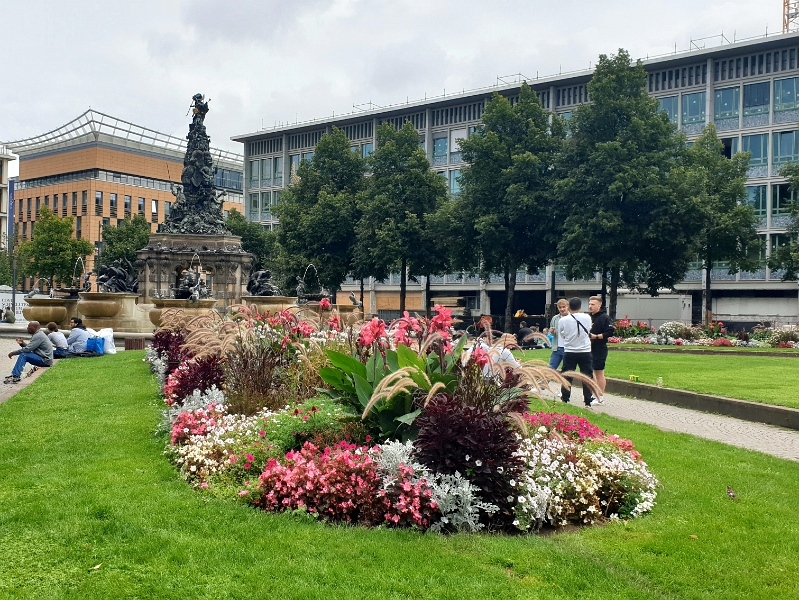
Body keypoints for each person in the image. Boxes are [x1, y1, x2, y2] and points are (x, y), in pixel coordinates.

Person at [558, 297, 595, 407]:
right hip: (585, 351)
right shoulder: (587, 317)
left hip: (570, 351)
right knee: (587, 376)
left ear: (569, 306)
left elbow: (561, 333)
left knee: (567, 375)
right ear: (580, 306)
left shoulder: (563, 320)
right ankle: (588, 401)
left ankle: (565, 398)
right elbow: (589, 329)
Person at [588, 295, 614, 405]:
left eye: (593, 304)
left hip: (600, 347)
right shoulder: (588, 317)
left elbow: (610, 332)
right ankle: (593, 393)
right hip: (589, 348)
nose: (590, 306)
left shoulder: (604, 317)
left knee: (599, 372)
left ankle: (600, 396)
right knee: (591, 372)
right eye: (589, 304)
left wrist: (597, 336)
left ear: (599, 305)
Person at [548, 299, 570, 370]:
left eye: (564, 307)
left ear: (568, 307)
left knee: (567, 370)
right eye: (560, 307)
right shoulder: (555, 318)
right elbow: (551, 333)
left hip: (568, 348)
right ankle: (544, 381)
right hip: (556, 348)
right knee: (550, 369)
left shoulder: (572, 318)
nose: (562, 309)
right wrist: (551, 332)